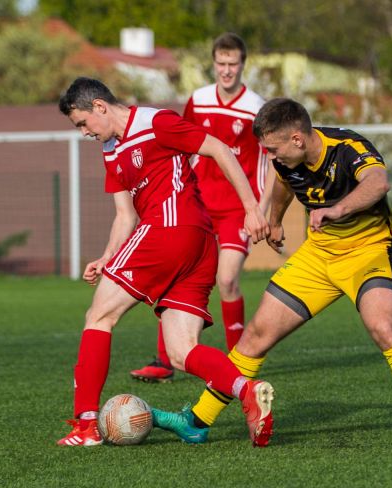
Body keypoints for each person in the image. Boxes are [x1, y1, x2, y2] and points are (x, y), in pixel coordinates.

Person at [152, 97, 392, 451]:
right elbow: (283, 183)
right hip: (319, 255)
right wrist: (277, 219)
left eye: (274, 148)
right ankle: (197, 422)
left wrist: (337, 209)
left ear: (297, 139)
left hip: (369, 250)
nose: (270, 156)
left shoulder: (347, 147)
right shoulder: (286, 161)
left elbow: (378, 183)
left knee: (384, 328)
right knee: (255, 336)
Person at [55, 77, 275, 447]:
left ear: (99, 107)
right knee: (180, 351)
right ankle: (247, 391)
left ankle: (87, 424)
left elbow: (220, 148)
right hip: (199, 242)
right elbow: (125, 215)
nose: (83, 132)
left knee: (99, 317)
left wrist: (252, 209)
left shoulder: (155, 123)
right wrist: (107, 257)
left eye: (82, 123)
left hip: (168, 230)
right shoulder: (110, 148)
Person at [129, 32, 275, 384]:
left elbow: (273, 162)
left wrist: (260, 209)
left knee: (226, 279)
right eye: (221, 64)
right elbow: (182, 146)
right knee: (174, 276)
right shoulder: (198, 100)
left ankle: (240, 360)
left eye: (233, 64)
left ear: (243, 65)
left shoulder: (256, 106)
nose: (226, 70)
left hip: (238, 209)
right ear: (214, 63)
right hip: (195, 205)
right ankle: (165, 361)